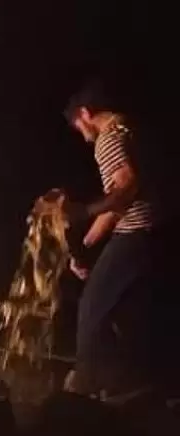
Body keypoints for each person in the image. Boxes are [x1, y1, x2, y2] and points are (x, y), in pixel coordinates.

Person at [63, 81, 161, 401]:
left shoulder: (107, 138)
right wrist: (86, 246)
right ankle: (124, 382)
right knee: (121, 312)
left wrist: (82, 211)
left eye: (78, 127)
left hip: (136, 233)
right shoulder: (130, 131)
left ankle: (85, 385)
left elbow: (125, 188)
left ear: (85, 114)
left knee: (91, 305)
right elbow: (118, 202)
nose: (82, 134)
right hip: (151, 234)